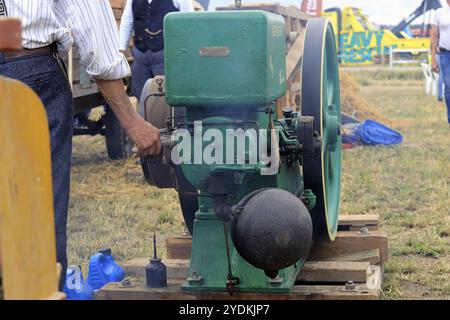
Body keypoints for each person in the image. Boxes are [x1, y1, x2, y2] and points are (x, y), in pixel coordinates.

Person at [0, 0, 162, 290]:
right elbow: (92, 29)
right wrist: (132, 121)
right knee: (40, 214)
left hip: (21, 67)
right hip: (29, 73)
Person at [119, 0, 195, 100]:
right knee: (141, 95)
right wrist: (121, 48)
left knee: (166, 97)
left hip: (166, 57)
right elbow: (127, 21)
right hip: (140, 56)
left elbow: (189, 21)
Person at [431, 2, 450, 123]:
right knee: (448, 87)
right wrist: (433, 59)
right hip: (445, 54)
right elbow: (434, 36)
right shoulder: (439, 13)